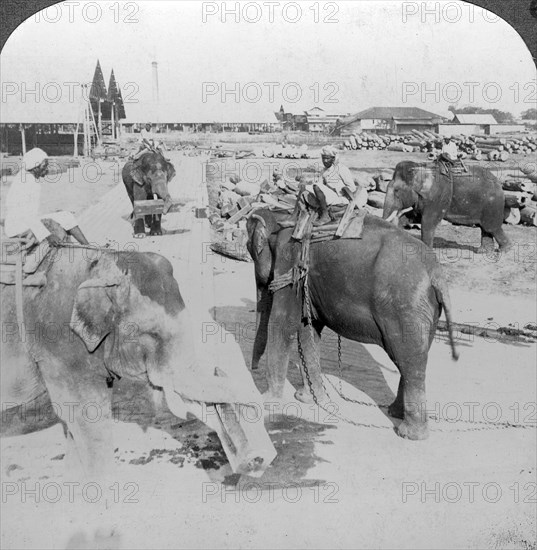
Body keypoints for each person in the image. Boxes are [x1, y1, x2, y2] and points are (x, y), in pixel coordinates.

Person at [4, 148, 89, 246]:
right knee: (58, 224)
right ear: (36, 167)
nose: (47, 169)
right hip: (18, 227)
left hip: (22, 222)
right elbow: (28, 216)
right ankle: (85, 248)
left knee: (65, 216)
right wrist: (47, 235)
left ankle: (87, 247)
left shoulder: (26, 176)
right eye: (44, 166)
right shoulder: (28, 182)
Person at [302, 146, 365, 224]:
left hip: (341, 197)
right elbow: (320, 185)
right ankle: (302, 214)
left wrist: (337, 189)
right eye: (323, 158)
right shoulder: (324, 171)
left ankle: (325, 216)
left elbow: (351, 187)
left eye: (327, 158)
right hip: (330, 196)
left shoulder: (341, 169)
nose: (325, 161)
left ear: (333, 159)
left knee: (316, 187)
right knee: (305, 189)